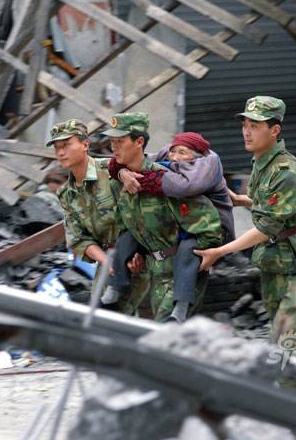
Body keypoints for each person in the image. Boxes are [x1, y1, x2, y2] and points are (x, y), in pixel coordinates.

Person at [195, 96, 296, 389]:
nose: (246, 131)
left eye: (254, 125)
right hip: (277, 261)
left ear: (275, 130)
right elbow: (271, 204)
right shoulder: (261, 162)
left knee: (287, 337)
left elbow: (267, 226)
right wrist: (243, 200)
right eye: (245, 124)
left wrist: (220, 251)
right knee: (284, 339)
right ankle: (295, 400)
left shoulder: (285, 171)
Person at [101, 131, 241, 321]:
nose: (175, 158)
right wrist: (123, 171)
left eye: (183, 153)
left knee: (189, 250)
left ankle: (180, 308)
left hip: (207, 230)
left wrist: (143, 176)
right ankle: (115, 286)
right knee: (128, 236)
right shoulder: (164, 162)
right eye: (173, 153)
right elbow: (130, 162)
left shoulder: (204, 168)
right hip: (177, 232)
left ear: (196, 156)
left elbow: (183, 186)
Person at [48, 119, 148, 315]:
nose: (60, 152)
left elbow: (145, 212)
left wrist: (139, 252)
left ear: (85, 145)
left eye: (66, 145)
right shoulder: (66, 193)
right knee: (103, 319)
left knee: (121, 320)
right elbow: (78, 239)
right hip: (109, 266)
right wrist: (106, 261)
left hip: (139, 259)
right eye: (57, 147)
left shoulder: (114, 170)